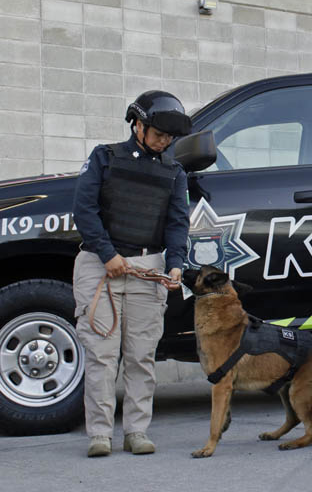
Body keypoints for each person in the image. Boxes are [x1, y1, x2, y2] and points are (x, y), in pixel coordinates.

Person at [72, 90, 192, 457]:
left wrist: (175, 263)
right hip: (101, 266)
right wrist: (108, 254)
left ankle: (136, 431)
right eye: (159, 134)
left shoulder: (174, 172)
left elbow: (177, 223)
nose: (165, 142)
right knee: (102, 356)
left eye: (170, 137)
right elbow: (84, 210)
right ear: (137, 125)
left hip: (147, 267)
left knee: (141, 356)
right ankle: (100, 434)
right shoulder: (104, 158)